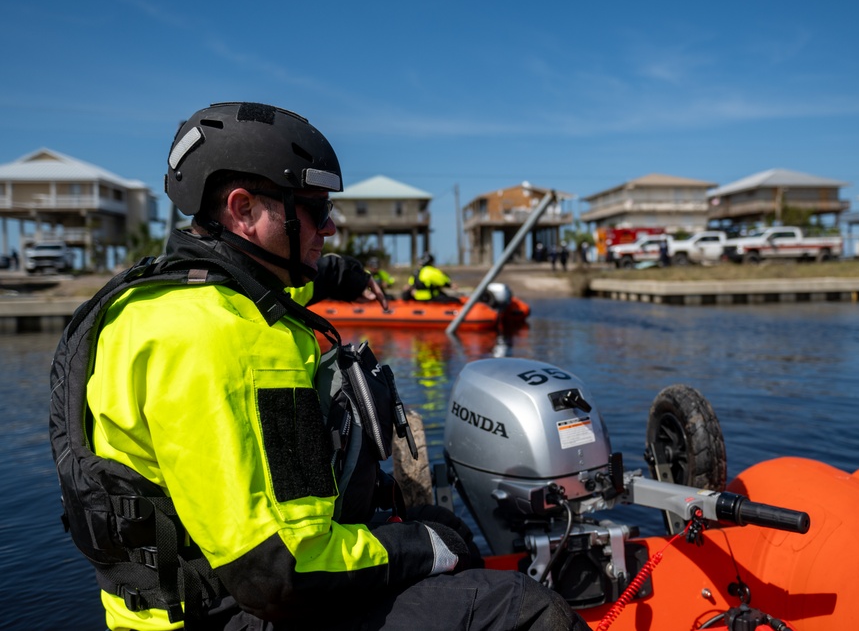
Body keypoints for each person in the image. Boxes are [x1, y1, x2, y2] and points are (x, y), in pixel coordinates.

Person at [50, 102, 586, 631]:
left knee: (437, 526)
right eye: (314, 208)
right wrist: (426, 548)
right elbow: (281, 573)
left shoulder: (148, 302)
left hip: (174, 599)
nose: (329, 227)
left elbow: (271, 278)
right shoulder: (236, 341)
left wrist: (337, 273)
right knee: (522, 605)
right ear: (243, 209)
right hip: (239, 608)